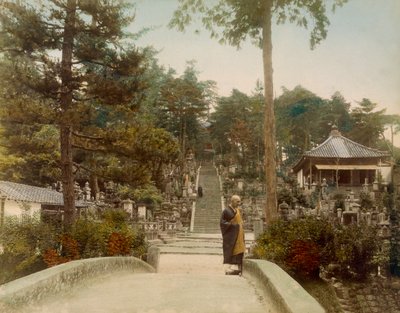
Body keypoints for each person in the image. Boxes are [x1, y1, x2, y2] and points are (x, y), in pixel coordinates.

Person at [220, 194, 245, 275]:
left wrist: (238, 226)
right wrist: (233, 225)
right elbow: (222, 223)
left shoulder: (237, 210)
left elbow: (239, 222)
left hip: (238, 235)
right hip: (230, 236)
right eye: (237, 201)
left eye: (239, 201)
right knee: (230, 250)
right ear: (233, 201)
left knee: (238, 250)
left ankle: (236, 267)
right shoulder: (226, 211)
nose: (239, 203)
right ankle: (229, 268)